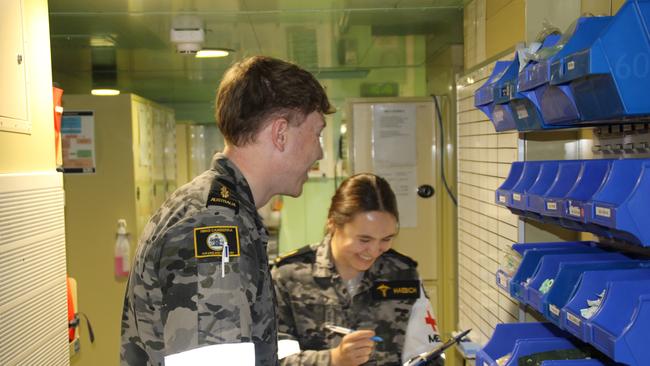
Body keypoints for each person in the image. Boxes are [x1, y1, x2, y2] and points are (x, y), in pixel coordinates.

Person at [120, 56, 333, 366]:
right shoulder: (214, 225)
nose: (319, 151)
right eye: (317, 134)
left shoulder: (225, 211)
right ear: (280, 133)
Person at [272, 173, 443, 366]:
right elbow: (273, 359)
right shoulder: (289, 276)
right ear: (333, 224)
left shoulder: (402, 275)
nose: (374, 251)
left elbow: (429, 354)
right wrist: (333, 360)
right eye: (364, 239)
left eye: (386, 239)